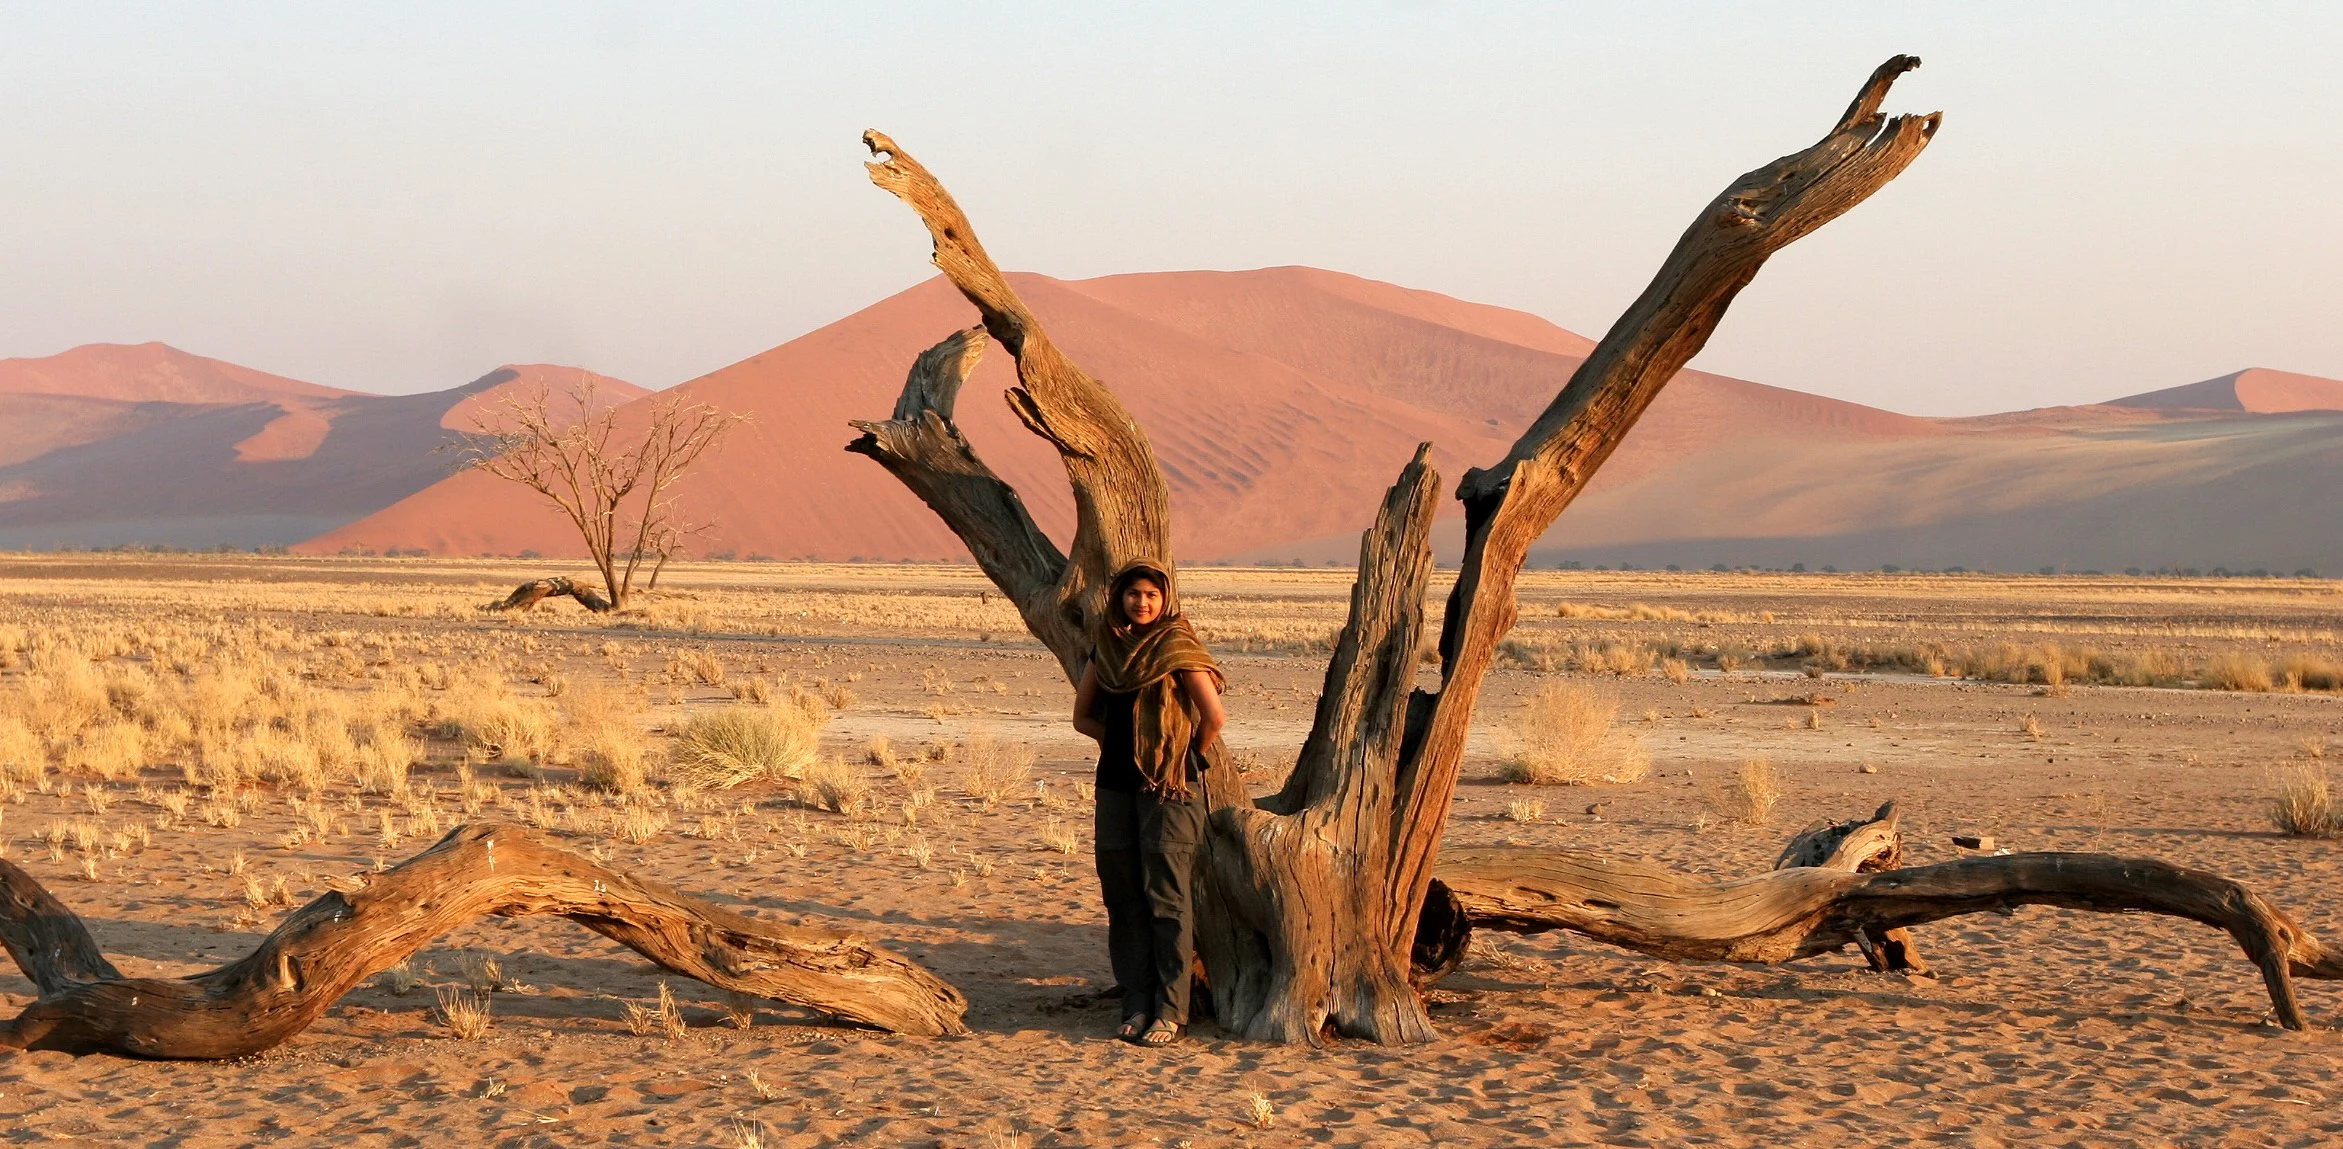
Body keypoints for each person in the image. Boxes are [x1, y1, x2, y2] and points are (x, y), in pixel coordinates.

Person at [1072, 560, 1225, 1047]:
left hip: (1170, 790)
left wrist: (1183, 757)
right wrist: (1124, 747)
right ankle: (1135, 1002)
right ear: (1119, 597)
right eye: (1133, 594)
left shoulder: (1178, 647)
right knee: (1123, 896)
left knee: (1168, 901)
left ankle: (1171, 1010)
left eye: (1151, 595)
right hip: (1115, 785)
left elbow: (1213, 717)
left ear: (1165, 600)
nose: (1142, 602)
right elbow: (1083, 718)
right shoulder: (1107, 649)